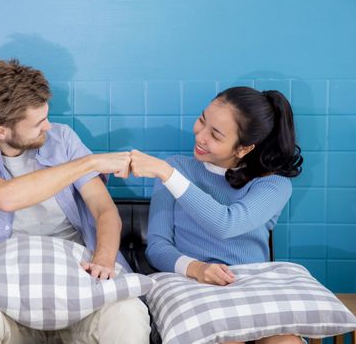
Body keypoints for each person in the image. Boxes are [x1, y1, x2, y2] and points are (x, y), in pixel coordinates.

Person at [0, 58, 150, 343]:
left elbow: (104, 210)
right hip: (8, 299)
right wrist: (88, 162)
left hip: (79, 292)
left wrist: (104, 260)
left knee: (128, 313)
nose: (49, 126)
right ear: (0, 131)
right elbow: (5, 197)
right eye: (38, 123)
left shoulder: (63, 139)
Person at [129, 86, 304, 344]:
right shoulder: (178, 168)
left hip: (251, 287)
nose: (200, 135)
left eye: (216, 134)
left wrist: (168, 175)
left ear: (243, 148)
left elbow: (226, 223)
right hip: (193, 286)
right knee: (226, 339)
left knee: (285, 341)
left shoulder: (273, 185)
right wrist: (197, 268)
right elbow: (157, 247)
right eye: (202, 120)